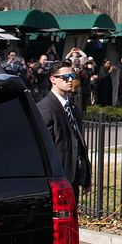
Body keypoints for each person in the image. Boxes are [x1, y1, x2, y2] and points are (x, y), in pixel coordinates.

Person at [37, 62, 87, 194]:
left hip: (73, 175)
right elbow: (45, 149)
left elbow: (78, 142)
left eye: (72, 75)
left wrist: (85, 176)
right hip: (57, 177)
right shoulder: (45, 107)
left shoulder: (73, 107)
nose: (70, 80)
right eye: (65, 77)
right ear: (53, 79)